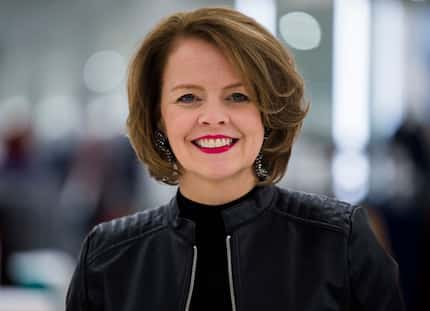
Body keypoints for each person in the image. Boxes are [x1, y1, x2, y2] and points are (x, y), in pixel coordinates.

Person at [66, 7, 404, 311]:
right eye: (188, 97)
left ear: (267, 114)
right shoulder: (107, 256)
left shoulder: (339, 240)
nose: (213, 117)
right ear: (158, 118)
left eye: (238, 96)